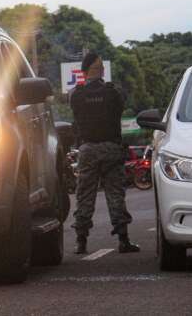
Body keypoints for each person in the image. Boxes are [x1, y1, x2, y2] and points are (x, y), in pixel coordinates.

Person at [69, 53, 140, 254]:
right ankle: (123, 240)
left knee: (84, 195)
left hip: (88, 150)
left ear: (83, 72)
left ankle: (81, 242)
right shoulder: (113, 92)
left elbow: (75, 113)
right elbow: (121, 106)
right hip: (111, 149)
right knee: (116, 194)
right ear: (100, 70)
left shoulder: (76, 94)